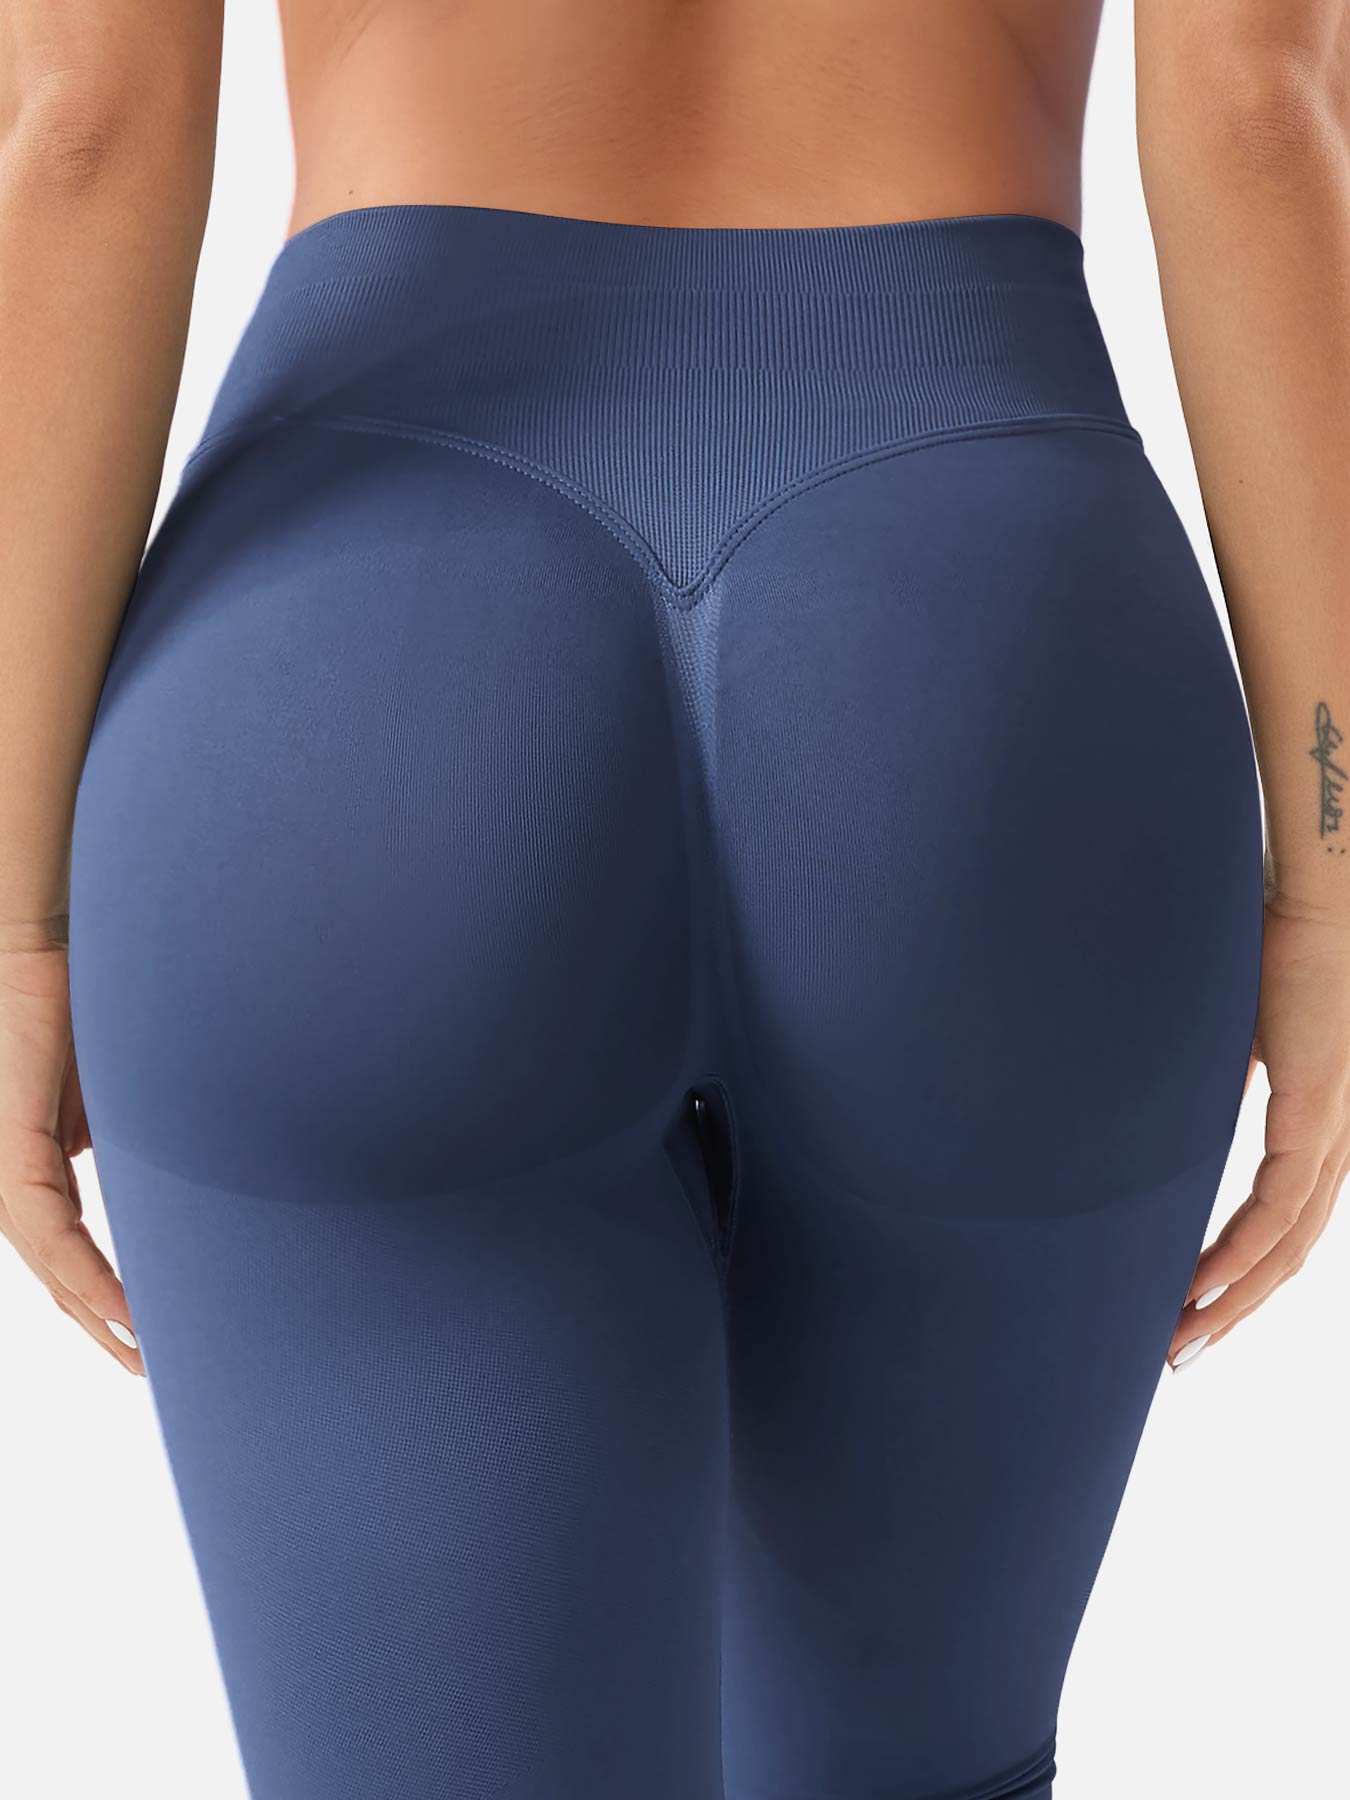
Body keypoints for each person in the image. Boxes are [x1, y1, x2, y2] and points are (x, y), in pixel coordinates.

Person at [1, 1, 1346, 1795]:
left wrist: (13, 919)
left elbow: (84, 127)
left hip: (355, 666)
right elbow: (1259, 108)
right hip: (985, 637)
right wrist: (1333, 874)